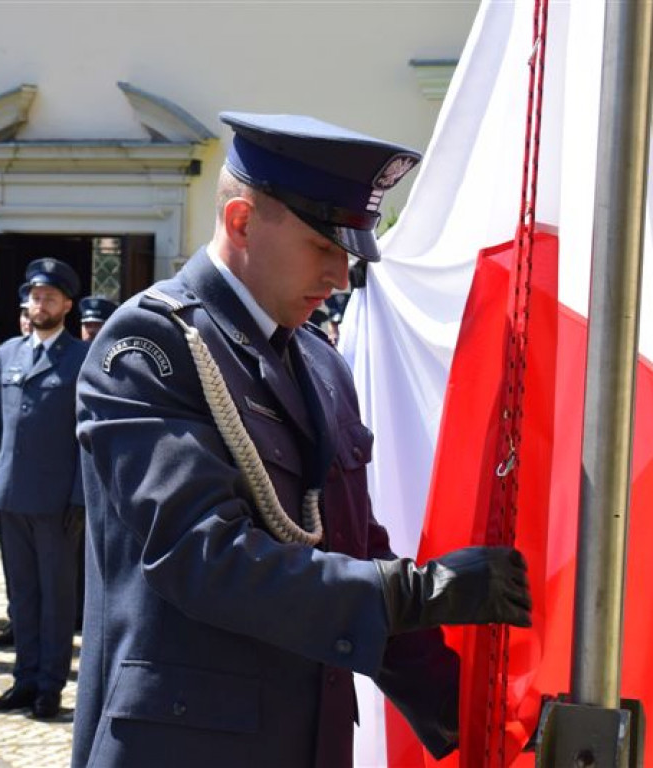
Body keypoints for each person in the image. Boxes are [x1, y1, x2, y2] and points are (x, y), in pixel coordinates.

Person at [72, 113, 532, 768]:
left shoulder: (319, 362)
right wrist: (413, 590)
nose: (341, 276)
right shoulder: (152, 347)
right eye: (324, 247)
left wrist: (477, 718)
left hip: (308, 739)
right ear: (240, 222)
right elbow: (201, 557)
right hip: (185, 744)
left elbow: (352, 543)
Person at [0, 258, 89, 720]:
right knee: (20, 596)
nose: (38, 303)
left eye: (48, 297)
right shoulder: (7, 354)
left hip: (56, 501)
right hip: (11, 495)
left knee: (55, 598)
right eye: (33, 296)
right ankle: (23, 681)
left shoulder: (81, 358)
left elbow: (88, 437)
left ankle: (49, 687)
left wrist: (80, 498)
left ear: (67, 304)